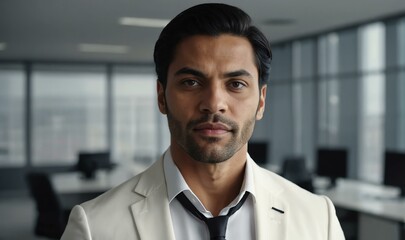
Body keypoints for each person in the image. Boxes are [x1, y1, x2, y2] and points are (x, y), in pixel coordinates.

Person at [61, 3, 345, 240]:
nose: (214, 103)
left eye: (235, 84)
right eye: (191, 82)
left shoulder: (319, 220)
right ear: (162, 96)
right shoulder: (93, 227)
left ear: (261, 101)